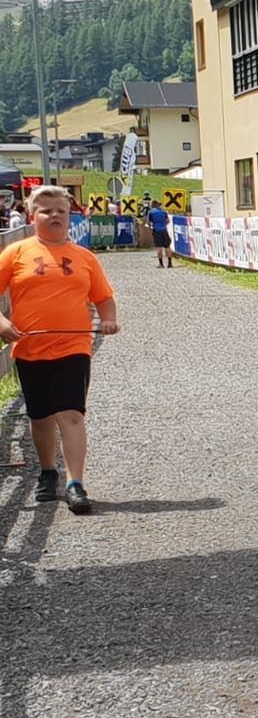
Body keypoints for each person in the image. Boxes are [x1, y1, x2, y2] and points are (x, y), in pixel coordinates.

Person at [0, 185, 120, 514]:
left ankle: (75, 483)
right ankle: (48, 471)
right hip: (30, 345)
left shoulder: (85, 257)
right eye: (46, 210)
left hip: (74, 344)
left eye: (61, 211)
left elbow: (103, 298)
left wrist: (108, 320)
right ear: (32, 215)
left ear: (70, 216)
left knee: (71, 414)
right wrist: (2, 324)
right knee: (40, 417)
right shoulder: (16, 252)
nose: (54, 216)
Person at [147, 201, 172, 267]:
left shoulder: (151, 212)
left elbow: (148, 222)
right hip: (164, 230)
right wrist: (163, 225)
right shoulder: (163, 212)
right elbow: (168, 221)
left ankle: (161, 264)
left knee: (159, 247)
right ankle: (170, 263)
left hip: (156, 230)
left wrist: (151, 227)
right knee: (167, 247)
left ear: (152, 205)